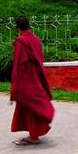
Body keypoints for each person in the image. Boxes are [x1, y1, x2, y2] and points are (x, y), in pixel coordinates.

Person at [10, 16, 55, 146]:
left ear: (17, 27)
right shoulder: (35, 39)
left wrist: (15, 83)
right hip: (37, 76)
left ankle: (33, 137)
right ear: (29, 25)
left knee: (30, 106)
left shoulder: (21, 42)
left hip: (26, 78)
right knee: (31, 105)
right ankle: (33, 134)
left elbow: (19, 64)